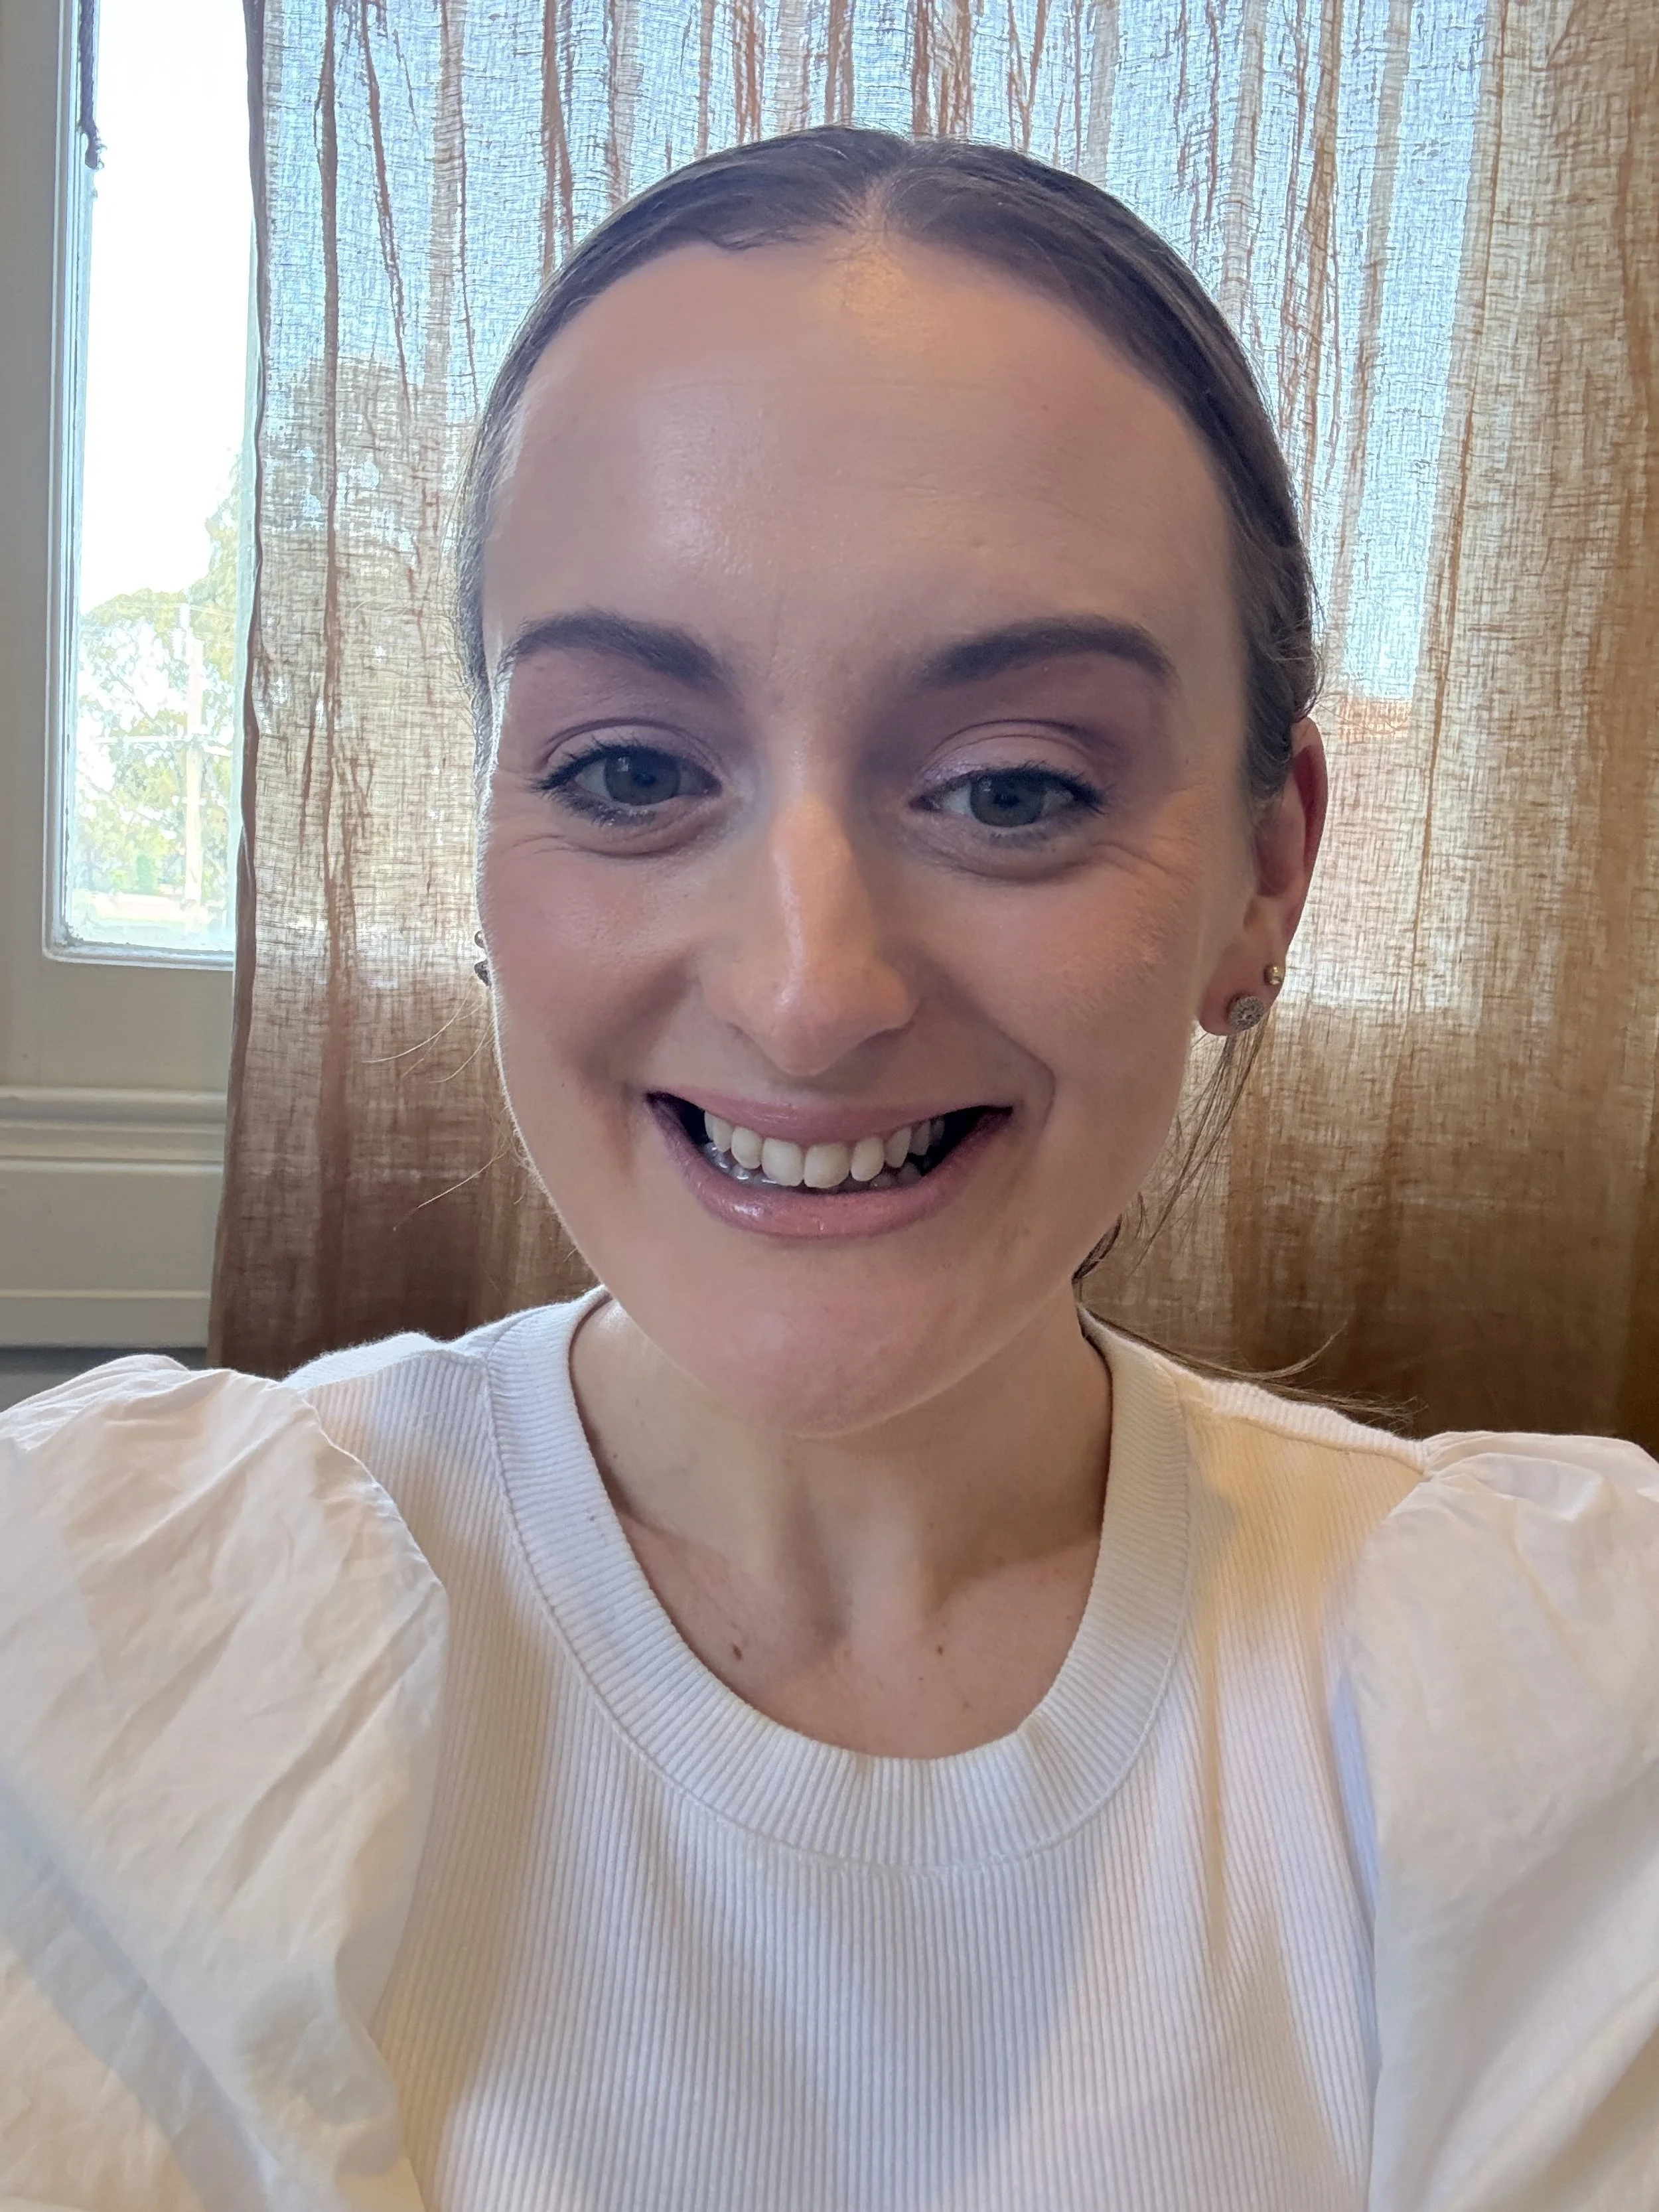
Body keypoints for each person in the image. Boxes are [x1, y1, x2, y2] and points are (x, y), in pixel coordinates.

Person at [3, 127, 1658, 2212]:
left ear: (1265, 870)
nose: (807, 994)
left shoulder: (1570, 1717)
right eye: (626, 770)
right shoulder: (93, 1649)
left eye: (1010, 787)